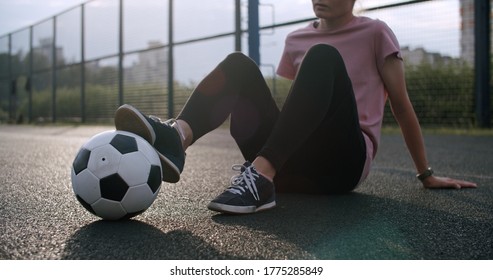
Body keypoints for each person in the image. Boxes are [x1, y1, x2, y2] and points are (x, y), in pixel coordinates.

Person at [114, 0, 477, 214]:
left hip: (342, 165)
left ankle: (259, 177)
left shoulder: (376, 33)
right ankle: (177, 137)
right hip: (293, 162)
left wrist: (425, 173)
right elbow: (298, 109)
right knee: (239, 63)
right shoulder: (297, 37)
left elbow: (401, 105)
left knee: (324, 57)